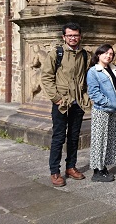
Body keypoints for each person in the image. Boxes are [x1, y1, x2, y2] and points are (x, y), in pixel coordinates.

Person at [42, 22, 91, 187]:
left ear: (80, 36)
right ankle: (55, 171)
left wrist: (86, 95)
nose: (73, 38)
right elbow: (46, 77)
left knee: (74, 136)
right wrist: (56, 98)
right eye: (69, 35)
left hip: (78, 102)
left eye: (75, 35)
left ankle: (71, 166)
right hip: (61, 102)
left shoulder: (85, 55)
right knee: (58, 137)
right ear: (64, 37)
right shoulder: (57, 53)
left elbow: (89, 75)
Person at [86, 44, 116, 182]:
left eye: (110, 54)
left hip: (113, 110)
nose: (108, 56)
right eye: (105, 53)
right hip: (101, 110)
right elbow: (93, 93)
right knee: (99, 140)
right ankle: (96, 171)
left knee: (109, 139)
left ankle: (103, 167)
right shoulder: (93, 71)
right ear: (98, 55)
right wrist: (108, 102)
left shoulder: (113, 70)